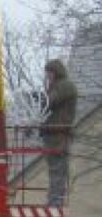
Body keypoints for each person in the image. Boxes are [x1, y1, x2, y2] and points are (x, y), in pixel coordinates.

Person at [41, 59, 78, 206]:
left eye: (49, 72)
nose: (48, 75)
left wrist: (44, 93)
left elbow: (49, 102)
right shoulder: (57, 86)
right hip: (52, 132)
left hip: (59, 132)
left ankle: (55, 201)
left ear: (56, 71)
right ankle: (54, 199)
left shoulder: (65, 86)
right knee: (54, 168)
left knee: (57, 168)